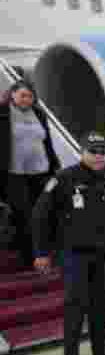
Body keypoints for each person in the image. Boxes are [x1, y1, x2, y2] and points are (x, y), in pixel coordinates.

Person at [32, 132, 105, 355]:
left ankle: (102, 353)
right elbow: (40, 216)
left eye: (102, 152)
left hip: (99, 253)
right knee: (75, 305)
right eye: (93, 152)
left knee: (99, 306)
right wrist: (41, 252)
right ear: (82, 152)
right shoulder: (64, 179)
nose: (98, 157)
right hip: (73, 253)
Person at [1, 79, 61, 268]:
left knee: (42, 214)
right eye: (23, 95)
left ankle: (39, 252)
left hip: (41, 172)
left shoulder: (39, 114)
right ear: (12, 94)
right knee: (23, 213)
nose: (27, 99)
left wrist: (54, 165)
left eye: (30, 96)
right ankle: (29, 256)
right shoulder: (3, 113)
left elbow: (47, 142)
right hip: (14, 173)